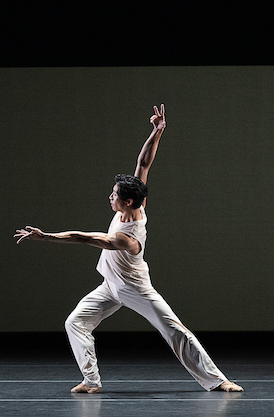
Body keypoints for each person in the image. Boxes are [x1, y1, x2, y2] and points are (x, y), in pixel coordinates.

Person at [15, 105, 242, 393]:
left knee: (174, 330)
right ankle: (91, 381)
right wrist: (157, 131)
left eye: (115, 196)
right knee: (75, 322)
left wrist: (46, 236)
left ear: (129, 202)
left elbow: (85, 238)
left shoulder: (128, 237)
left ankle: (217, 380)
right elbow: (143, 164)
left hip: (135, 288)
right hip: (111, 285)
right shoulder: (136, 201)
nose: (110, 197)